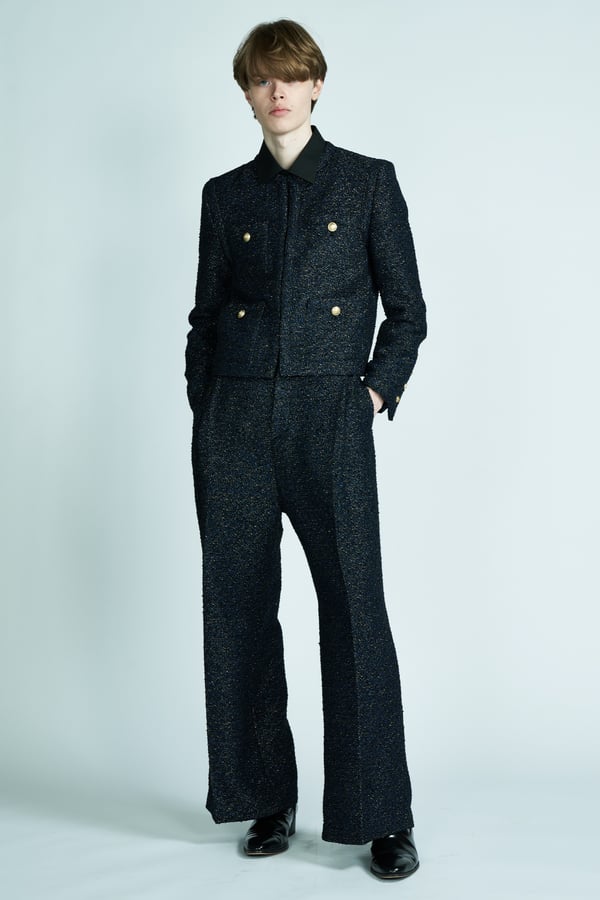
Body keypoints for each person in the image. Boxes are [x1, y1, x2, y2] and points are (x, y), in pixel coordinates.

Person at [185, 19, 427, 881]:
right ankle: (266, 797)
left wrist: (371, 393)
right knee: (239, 611)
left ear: (316, 84)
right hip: (236, 422)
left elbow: (408, 311)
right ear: (247, 93)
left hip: (330, 419)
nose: (278, 91)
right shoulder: (225, 196)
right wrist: (207, 408)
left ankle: (379, 814)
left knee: (356, 610)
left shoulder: (367, 182)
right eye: (262, 79)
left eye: (291, 77)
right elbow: (205, 317)